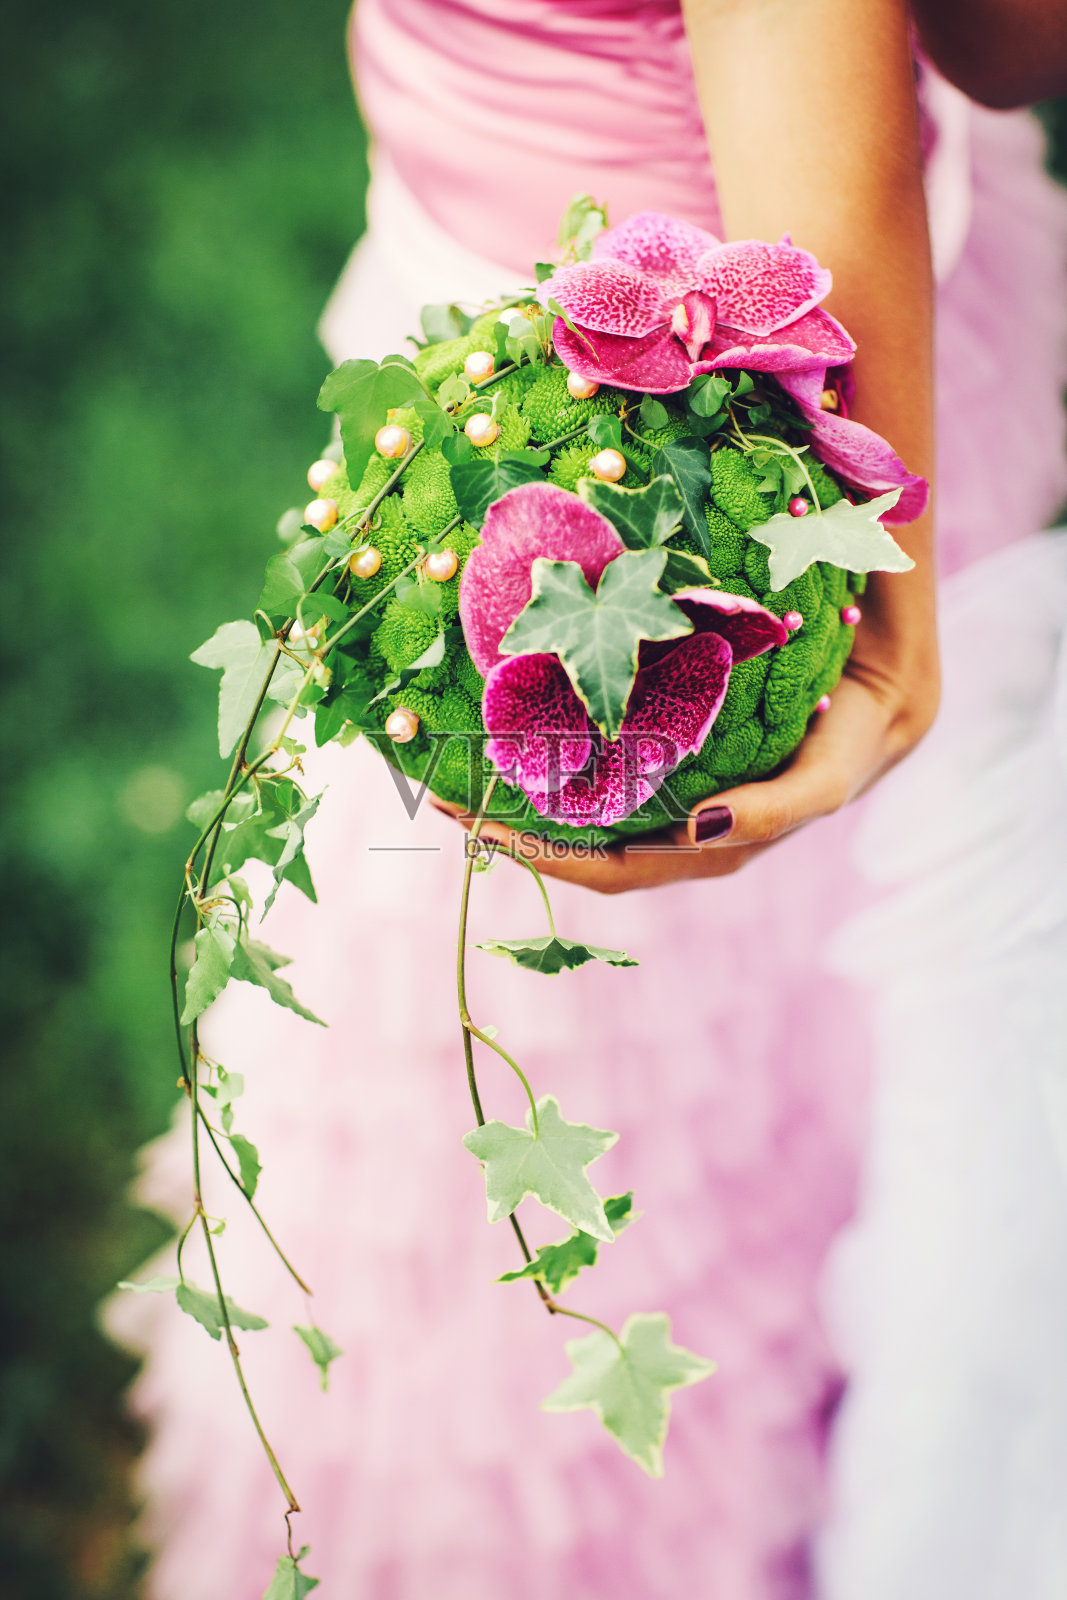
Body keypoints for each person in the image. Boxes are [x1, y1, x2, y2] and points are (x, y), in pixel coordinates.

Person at [113, 4, 1067, 1597]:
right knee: (618, 1167)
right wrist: (891, 661)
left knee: (772, 1111)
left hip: (748, 373)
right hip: (667, 509)